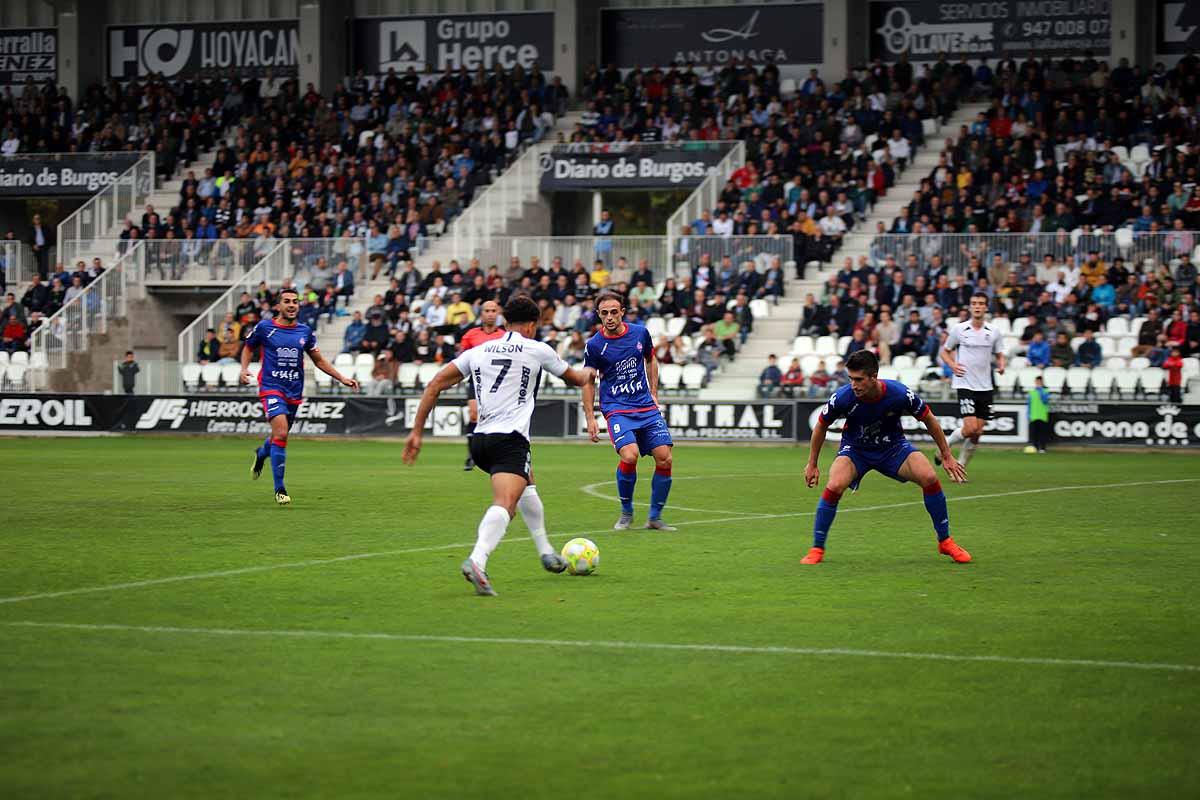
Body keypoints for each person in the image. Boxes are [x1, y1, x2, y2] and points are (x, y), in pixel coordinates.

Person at [401, 295, 595, 596]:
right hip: (509, 440)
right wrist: (592, 371)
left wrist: (416, 432)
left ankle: (545, 551)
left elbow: (435, 384)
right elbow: (574, 378)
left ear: (505, 321)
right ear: (533, 324)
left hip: (479, 442)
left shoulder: (477, 350)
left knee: (528, 485)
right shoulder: (537, 348)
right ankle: (477, 560)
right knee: (506, 504)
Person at [802, 350, 970, 565]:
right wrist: (812, 464)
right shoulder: (843, 397)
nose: (854, 385)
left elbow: (929, 419)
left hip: (893, 448)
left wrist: (946, 455)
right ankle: (817, 548)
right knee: (835, 485)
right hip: (856, 450)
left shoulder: (899, 393)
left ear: (874, 377)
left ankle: (945, 541)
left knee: (928, 476)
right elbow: (821, 426)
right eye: (851, 379)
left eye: (859, 379)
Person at [240, 287, 359, 505]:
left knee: (278, 437)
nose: (292, 305)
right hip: (271, 387)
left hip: (293, 391)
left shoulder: (304, 331)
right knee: (282, 433)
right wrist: (244, 369)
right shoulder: (265, 328)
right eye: (287, 301)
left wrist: (341, 378)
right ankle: (280, 489)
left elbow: (319, 361)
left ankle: (261, 453)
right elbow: (248, 347)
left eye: (295, 301)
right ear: (278, 306)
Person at [582, 290, 676, 531]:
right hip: (617, 408)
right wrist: (590, 417)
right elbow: (588, 381)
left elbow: (651, 359)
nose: (610, 317)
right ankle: (626, 511)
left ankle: (654, 517)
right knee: (630, 455)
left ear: (622, 312)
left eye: (614, 312)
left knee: (665, 458)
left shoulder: (640, 333)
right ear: (598, 315)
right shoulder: (594, 345)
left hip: (645, 405)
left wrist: (654, 392)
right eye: (605, 313)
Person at [939, 293, 1006, 471]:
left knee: (977, 432)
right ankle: (944, 446)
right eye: (974, 303)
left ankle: (960, 465)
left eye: (981, 304)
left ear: (986, 308)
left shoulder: (994, 332)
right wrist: (952, 365)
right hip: (965, 384)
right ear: (970, 307)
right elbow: (944, 352)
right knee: (970, 428)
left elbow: (1000, 353)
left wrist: (1001, 364)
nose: (977, 306)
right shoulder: (959, 329)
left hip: (985, 386)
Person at [458, 300, 506, 470]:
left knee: (495, 417)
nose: (491, 313)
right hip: (476, 380)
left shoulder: (504, 336)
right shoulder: (470, 335)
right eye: (487, 310)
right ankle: (472, 455)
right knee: (473, 415)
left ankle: (494, 454)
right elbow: (462, 358)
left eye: (494, 310)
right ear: (481, 314)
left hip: (497, 382)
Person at [1028, 375, 1050, 453]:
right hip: (1034, 415)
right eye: (1037, 382)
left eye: (1040, 382)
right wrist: (1029, 414)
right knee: (1034, 434)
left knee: (1042, 433)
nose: (1038, 383)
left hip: (1042, 415)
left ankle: (1043, 448)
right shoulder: (1031, 392)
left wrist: (1040, 391)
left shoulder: (1046, 391)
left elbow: (1045, 401)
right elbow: (1029, 404)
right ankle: (1035, 447)